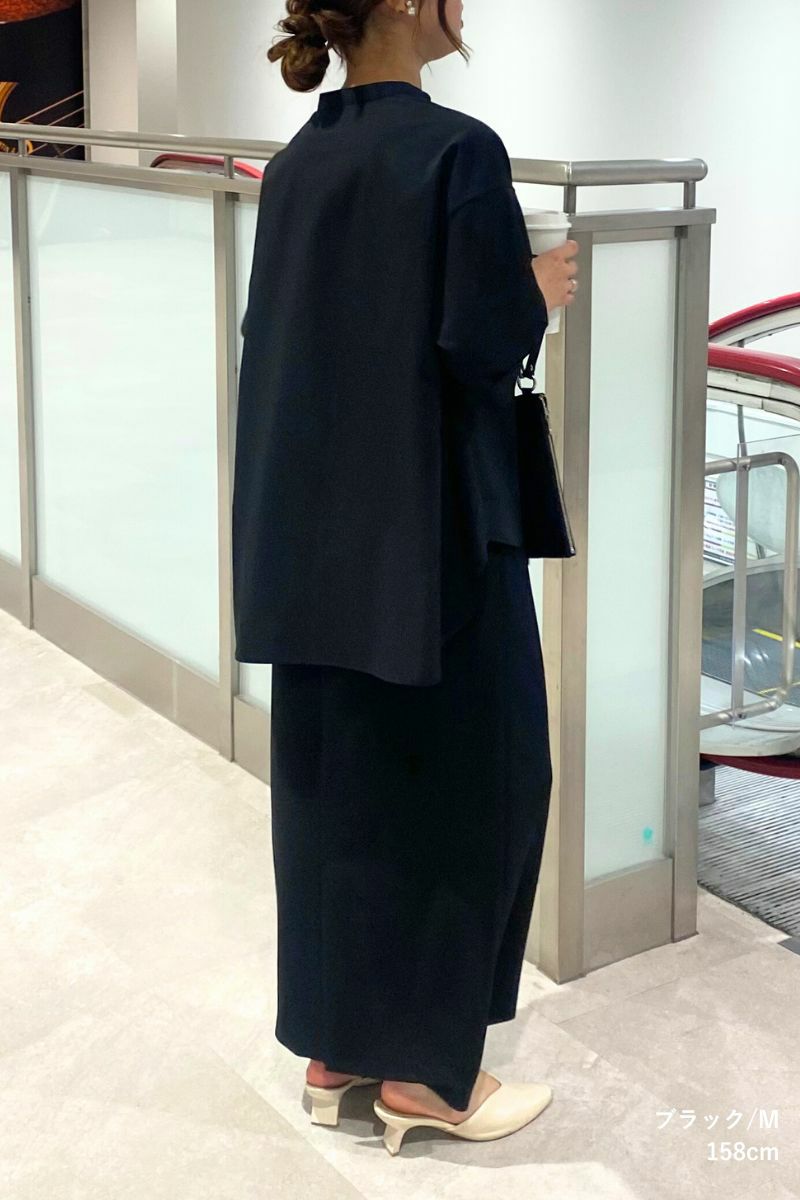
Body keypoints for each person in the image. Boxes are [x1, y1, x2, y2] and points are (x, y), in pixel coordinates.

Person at [231, 0, 579, 1155]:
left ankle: (336, 1052)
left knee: (341, 790)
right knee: (481, 784)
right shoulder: (455, 151)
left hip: (312, 540)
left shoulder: (298, 163)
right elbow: (476, 346)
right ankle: (428, 1078)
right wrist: (538, 291)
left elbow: (286, 339)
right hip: (436, 539)